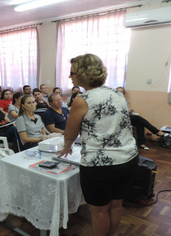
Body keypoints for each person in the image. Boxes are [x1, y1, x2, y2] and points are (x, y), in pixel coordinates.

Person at [58, 53, 139, 236]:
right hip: (128, 158)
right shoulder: (117, 93)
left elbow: (70, 133)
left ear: (84, 74)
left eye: (72, 72)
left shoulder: (82, 100)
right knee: (116, 205)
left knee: (100, 210)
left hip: (101, 165)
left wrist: (67, 146)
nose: (70, 76)